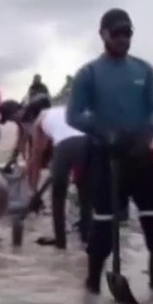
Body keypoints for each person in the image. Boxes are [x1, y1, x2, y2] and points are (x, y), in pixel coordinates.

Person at [66, 8, 153, 294]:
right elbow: (73, 116)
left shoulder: (144, 70)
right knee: (103, 228)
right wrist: (104, 131)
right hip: (106, 157)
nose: (123, 39)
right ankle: (92, 288)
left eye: (128, 33)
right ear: (103, 34)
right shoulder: (88, 74)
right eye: (117, 33)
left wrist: (144, 134)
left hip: (140, 155)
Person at [24, 101, 89, 249]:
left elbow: (36, 157)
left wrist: (33, 191)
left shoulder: (39, 120)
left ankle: (61, 242)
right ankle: (86, 238)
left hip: (65, 146)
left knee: (58, 195)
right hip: (89, 142)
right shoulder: (67, 109)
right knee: (86, 194)